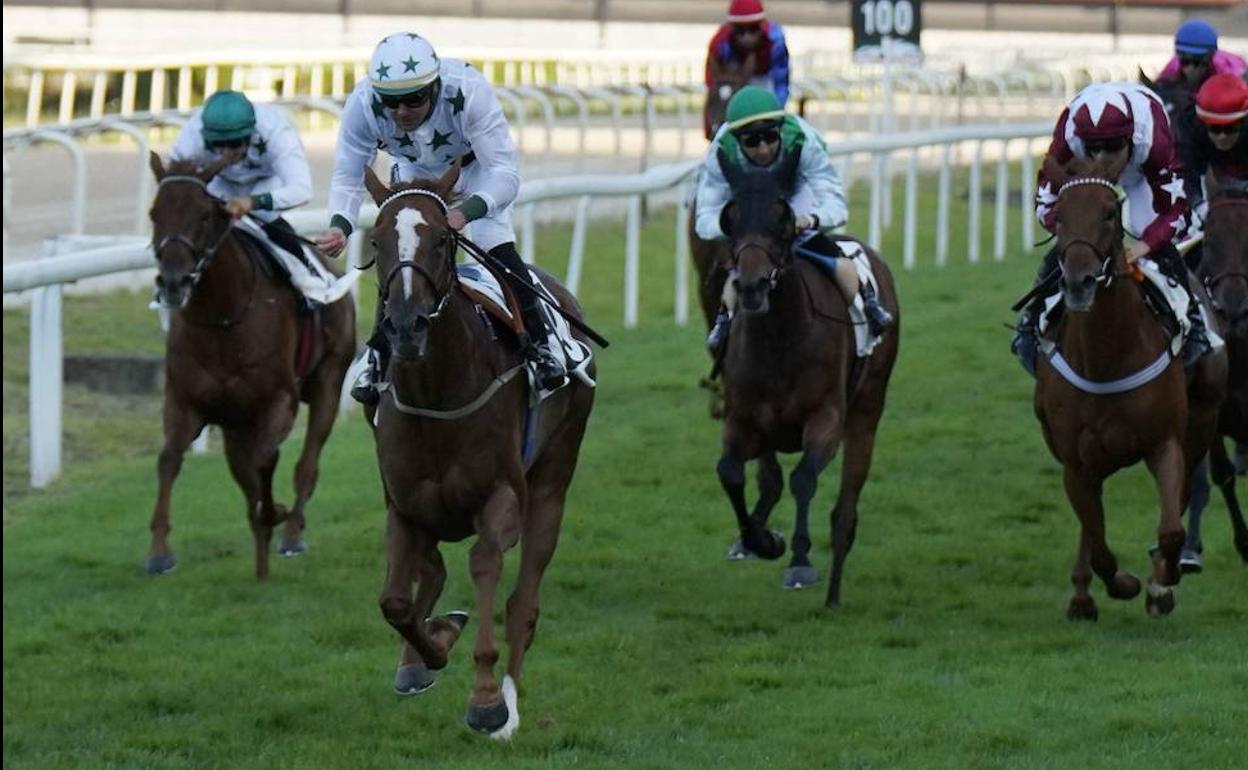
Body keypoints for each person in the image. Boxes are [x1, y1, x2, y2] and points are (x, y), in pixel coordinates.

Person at [312, 32, 565, 404]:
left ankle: (542, 347)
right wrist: (341, 225)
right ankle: (378, 356)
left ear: (433, 86)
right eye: (391, 103)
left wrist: (466, 212)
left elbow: (505, 173)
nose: (402, 113)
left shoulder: (467, 90)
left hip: (477, 173)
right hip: (413, 175)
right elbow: (348, 174)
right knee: (403, 255)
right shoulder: (362, 105)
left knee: (492, 245)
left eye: (413, 100)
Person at [1013, 82, 1207, 374]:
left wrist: (1144, 247)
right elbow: (1044, 201)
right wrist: (1075, 228)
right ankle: (1029, 322)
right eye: (1094, 150)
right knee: (1078, 235)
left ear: (1129, 139)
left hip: (1141, 172)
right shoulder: (1069, 138)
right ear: (1082, 144)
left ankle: (1194, 320)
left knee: (1147, 229)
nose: (1103, 160)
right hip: (1087, 174)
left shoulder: (1153, 138)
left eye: (1112, 148)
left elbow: (1175, 211)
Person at [695, 85, 893, 355]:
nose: (763, 148)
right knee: (743, 265)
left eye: (769, 136)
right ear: (736, 139)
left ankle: (868, 308)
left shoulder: (804, 141)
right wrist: (733, 226)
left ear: (781, 128)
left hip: (796, 193)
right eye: (752, 141)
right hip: (748, 198)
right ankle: (723, 322)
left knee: (823, 251)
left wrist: (810, 220)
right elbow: (703, 219)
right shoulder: (720, 153)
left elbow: (836, 206)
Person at [170, 89, 313, 266]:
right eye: (218, 144)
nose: (225, 151)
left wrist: (252, 202)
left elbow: (302, 190)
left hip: (266, 180)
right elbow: (172, 185)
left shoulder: (276, 131)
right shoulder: (192, 135)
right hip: (220, 181)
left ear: (250, 134)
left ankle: (307, 275)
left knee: (263, 214)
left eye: (234, 143)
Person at [704, 0, 790, 107]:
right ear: (731, 28)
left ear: (762, 26)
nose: (747, 37)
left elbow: (781, 84)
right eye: (740, 31)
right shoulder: (719, 44)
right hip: (732, 86)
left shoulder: (775, 42)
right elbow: (711, 85)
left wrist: (777, 110)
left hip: (764, 81)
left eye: (753, 29)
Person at [1191, 73, 1248, 196]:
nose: (1222, 136)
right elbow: (1187, 173)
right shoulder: (1189, 128)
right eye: (1215, 129)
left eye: (1230, 128)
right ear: (1203, 124)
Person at [1154, 19, 1246, 92]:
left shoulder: (1231, 73)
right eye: (1185, 62)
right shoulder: (1172, 69)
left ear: (1210, 58)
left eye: (1197, 62)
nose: (1189, 69)